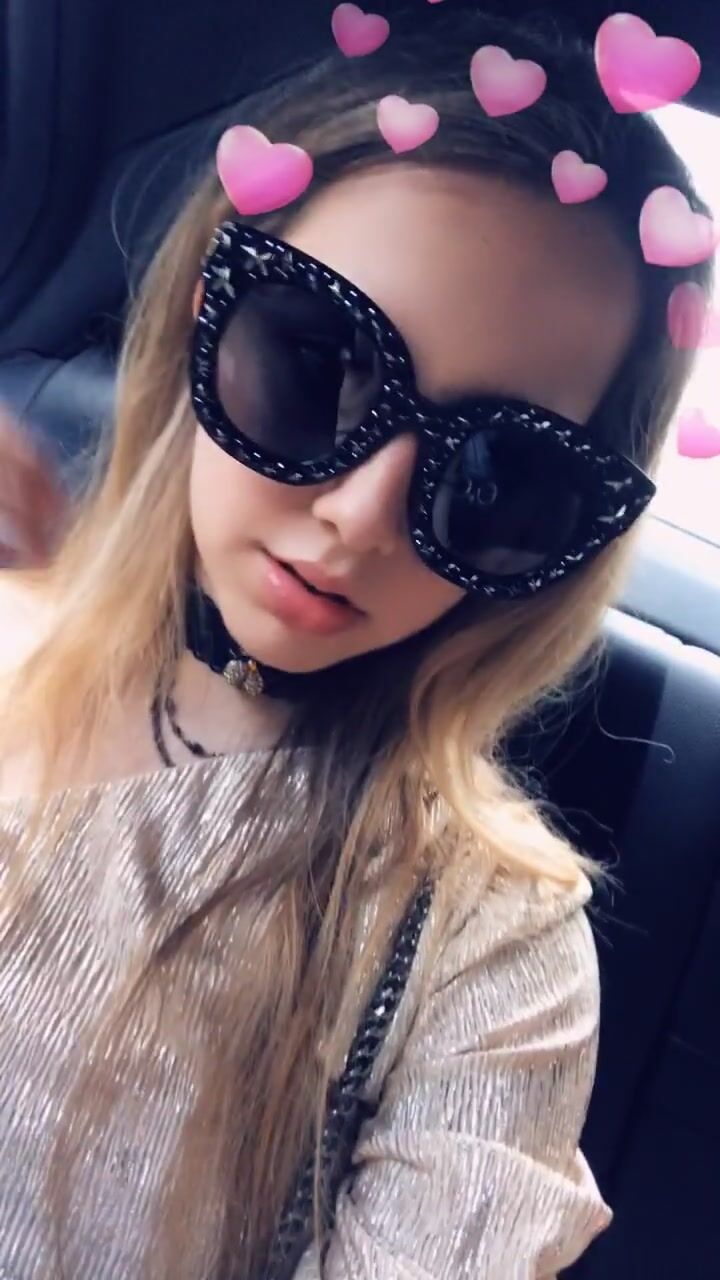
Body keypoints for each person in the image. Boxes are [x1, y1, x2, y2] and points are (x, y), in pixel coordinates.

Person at [0, 6, 712, 1278]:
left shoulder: (488, 942)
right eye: (318, 360)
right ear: (207, 309)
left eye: (502, 475)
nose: (361, 514)